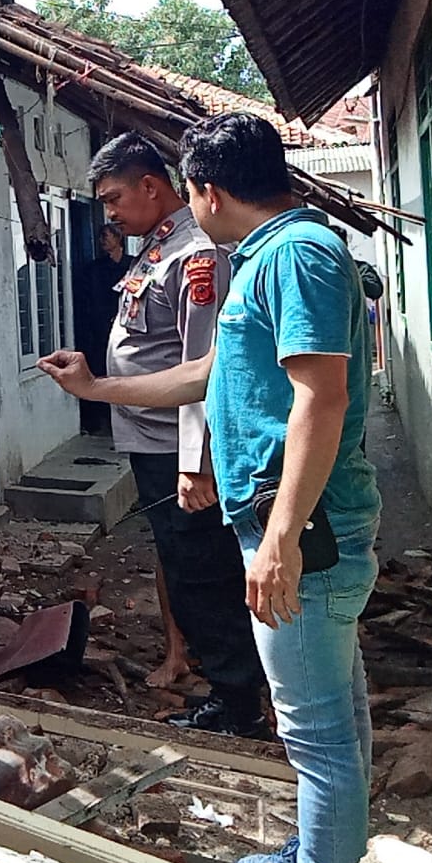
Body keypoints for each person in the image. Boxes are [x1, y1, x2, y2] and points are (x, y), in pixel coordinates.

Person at [40, 112, 381, 863]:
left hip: (305, 532)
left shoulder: (294, 255)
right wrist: (96, 389)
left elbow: (318, 398)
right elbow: (203, 374)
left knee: (318, 732)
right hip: (287, 526)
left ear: (204, 190)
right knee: (334, 714)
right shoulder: (262, 254)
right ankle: (322, 852)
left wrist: (281, 542)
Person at [86, 134, 267, 733]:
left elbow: (201, 368)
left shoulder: (197, 255)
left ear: (150, 187)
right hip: (151, 443)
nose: (110, 214)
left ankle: (240, 704)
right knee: (185, 571)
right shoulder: (157, 250)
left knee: (204, 578)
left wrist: (197, 460)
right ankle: (230, 689)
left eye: (115, 199)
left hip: (176, 449)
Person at [76, 223, 131, 433]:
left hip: (126, 326)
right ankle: (100, 421)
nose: (103, 241)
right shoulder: (94, 269)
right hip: (100, 330)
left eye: (107, 236)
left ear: (119, 239)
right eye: (101, 238)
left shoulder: (132, 265)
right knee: (100, 372)